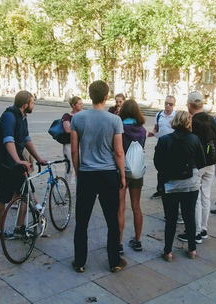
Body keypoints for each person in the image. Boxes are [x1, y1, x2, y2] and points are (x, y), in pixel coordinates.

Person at [70, 80, 126, 273]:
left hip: (87, 174)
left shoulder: (78, 118)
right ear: (105, 97)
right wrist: (123, 176)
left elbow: (74, 151)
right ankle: (114, 261)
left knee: (82, 220)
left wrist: (78, 172)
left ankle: (79, 262)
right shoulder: (114, 120)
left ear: (89, 95)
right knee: (112, 219)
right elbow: (118, 152)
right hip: (108, 174)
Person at [0, 90, 46, 238]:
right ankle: (0, 230)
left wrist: (38, 158)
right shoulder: (9, 116)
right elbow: (8, 141)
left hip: (15, 164)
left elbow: (26, 140)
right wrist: (18, 160)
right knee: (2, 198)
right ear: (25, 104)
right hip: (4, 164)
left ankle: (20, 227)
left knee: (26, 194)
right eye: (32, 102)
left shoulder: (23, 117)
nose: (34, 105)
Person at [154, 111, 206, 261]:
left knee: (171, 218)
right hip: (190, 184)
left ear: (174, 121)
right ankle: (192, 249)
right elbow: (202, 161)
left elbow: (158, 163)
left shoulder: (164, 140)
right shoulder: (194, 139)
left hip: (170, 184)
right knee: (189, 215)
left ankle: (168, 251)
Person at [178, 92, 216, 244]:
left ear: (189, 105)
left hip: (197, 164)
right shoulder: (211, 118)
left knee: (195, 199)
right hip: (211, 163)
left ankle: (194, 232)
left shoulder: (191, 121)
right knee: (206, 197)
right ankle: (203, 229)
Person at [118, 99, 147, 253]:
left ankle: (119, 244)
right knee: (136, 206)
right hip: (137, 172)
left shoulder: (120, 128)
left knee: (120, 208)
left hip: (121, 171)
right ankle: (137, 240)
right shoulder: (142, 130)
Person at [148, 95, 176, 198]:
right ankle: (160, 189)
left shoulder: (176, 115)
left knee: (171, 167)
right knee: (160, 167)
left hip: (173, 145)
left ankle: (169, 188)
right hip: (161, 144)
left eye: (170, 104)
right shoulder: (159, 114)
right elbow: (156, 128)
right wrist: (153, 133)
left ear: (174, 105)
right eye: (166, 103)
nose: (168, 106)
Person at [62, 96, 83, 184]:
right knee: (69, 168)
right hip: (69, 144)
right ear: (73, 105)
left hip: (81, 145)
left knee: (81, 168)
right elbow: (67, 129)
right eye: (79, 104)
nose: (82, 105)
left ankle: (79, 189)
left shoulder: (83, 115)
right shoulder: (67, 116)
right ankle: (67, 192)